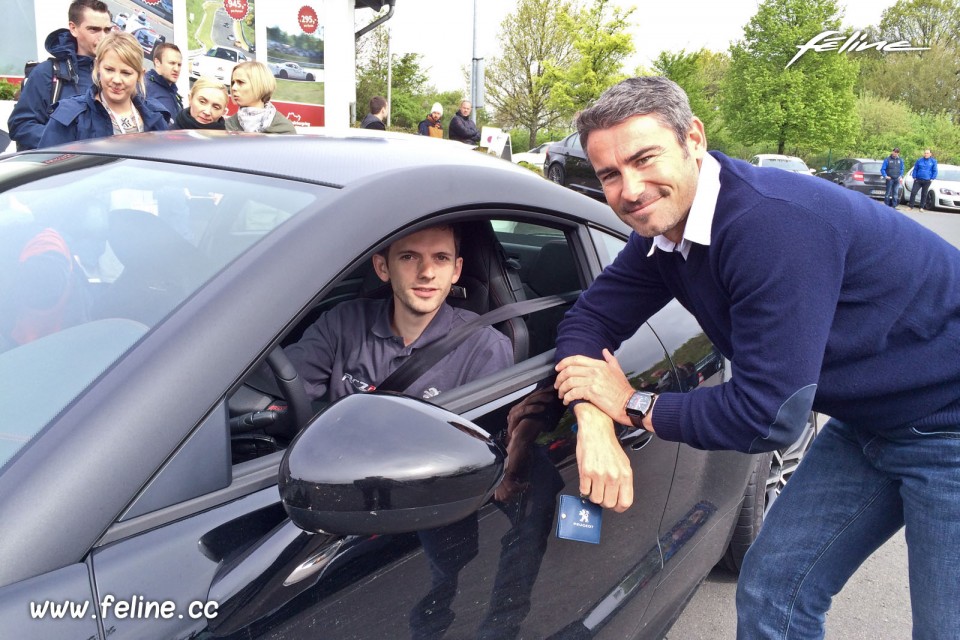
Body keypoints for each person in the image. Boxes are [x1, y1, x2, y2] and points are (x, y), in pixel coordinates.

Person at [552, 76, 960, 639]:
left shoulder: (771, 226)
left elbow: (769, 414)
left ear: (693, 138)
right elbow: (588, 321)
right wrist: (593, 420)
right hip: (873, 421)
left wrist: (633, 402)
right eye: (610, 175)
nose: (632, 188)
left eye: (645, 159)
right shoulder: (664, 234)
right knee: (774, 590)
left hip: (951, 425)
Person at [285, 224, 512, 404]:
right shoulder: (343, 321)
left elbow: (479, 453)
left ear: (456, 270)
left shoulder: (485, 348)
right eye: (409, 257)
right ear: (382, 268)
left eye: (441, 258)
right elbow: (281, 390)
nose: (427, 273)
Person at [7, 0, 113, 151]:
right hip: (59, 169)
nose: (103, 37)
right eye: (94, 29)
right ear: (73, 28)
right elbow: (21, 126)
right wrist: (70, 145)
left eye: (107, 30)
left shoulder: (118, 75)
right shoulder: (47, 73)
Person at [37, 32, 170, 148]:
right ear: (97, 66)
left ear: (140, 74)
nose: (117, 80)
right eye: (109, 70)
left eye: (126, 73)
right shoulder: (71, 116)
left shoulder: (156, 115)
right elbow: (47, 168)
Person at [224, 61, 296, 134]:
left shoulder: (283, 128)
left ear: (260, 84)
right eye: (233, 83)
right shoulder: (228, 126)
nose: (233, 88)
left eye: (240, 82)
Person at [145, 42, 183, 122]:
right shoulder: (144, 86)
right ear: (157, 62)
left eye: (179, 65)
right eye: (172, 63)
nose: (176, 69)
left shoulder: (172, 90)